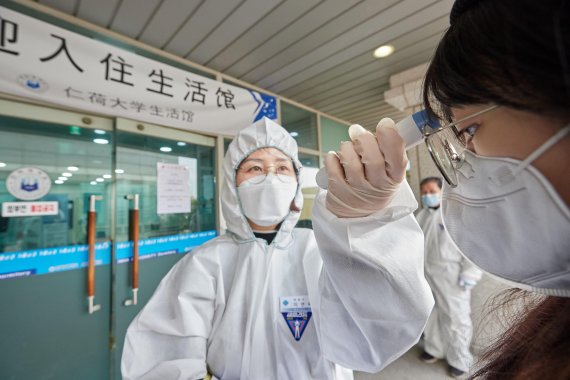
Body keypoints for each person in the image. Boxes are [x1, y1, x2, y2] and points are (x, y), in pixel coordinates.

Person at [121, 117, 434, 379]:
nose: (270, 177)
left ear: (297, 182)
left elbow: (377, 335)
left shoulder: (322, 249)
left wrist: (367, 225)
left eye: (283, 168)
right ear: (232, 183)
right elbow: (162, 354)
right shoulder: (206, 263)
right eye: (255, 168)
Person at [416, 177, 482, 378]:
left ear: (442, 192)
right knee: (431, 313)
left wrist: (470, 274)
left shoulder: (456, 216)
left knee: (456, 317)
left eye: (431, 191)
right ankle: (434, 348)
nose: (428, 196)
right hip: (427, 273)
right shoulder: (421, 215)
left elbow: (472, 248)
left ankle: (460, 360)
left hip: (451, 275)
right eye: (424, 192)